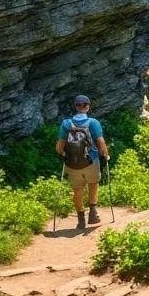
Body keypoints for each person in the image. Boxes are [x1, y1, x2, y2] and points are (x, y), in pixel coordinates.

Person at [56, 95, 109, 231]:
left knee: (77, 191)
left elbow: (59, 147)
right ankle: (93, 213)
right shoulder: (93, 122)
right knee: (93, 185)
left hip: (72, 164)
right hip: (90, 161)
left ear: (75, 106)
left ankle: (80, 220)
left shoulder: (66, 123)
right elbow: (100, 142)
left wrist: (64, 154)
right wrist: (106, 154)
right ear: (88, 106)